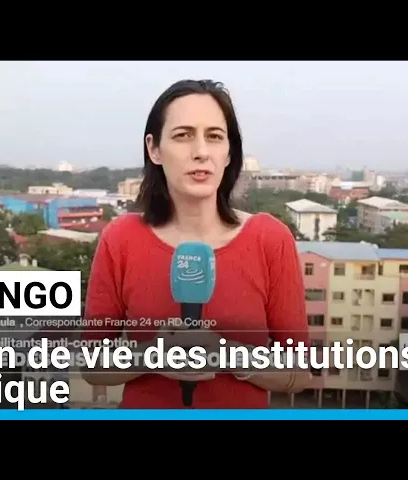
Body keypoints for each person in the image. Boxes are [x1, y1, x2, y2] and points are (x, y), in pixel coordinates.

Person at [81, 79, 311, 409]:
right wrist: (152, 356)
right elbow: (91, 366)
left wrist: (228, 355)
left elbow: (299, 374)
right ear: (154, 149)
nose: (201, 152)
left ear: (228, 152)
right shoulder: (121, 238)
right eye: (183, 135)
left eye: (214, 136)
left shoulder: (270, 239)